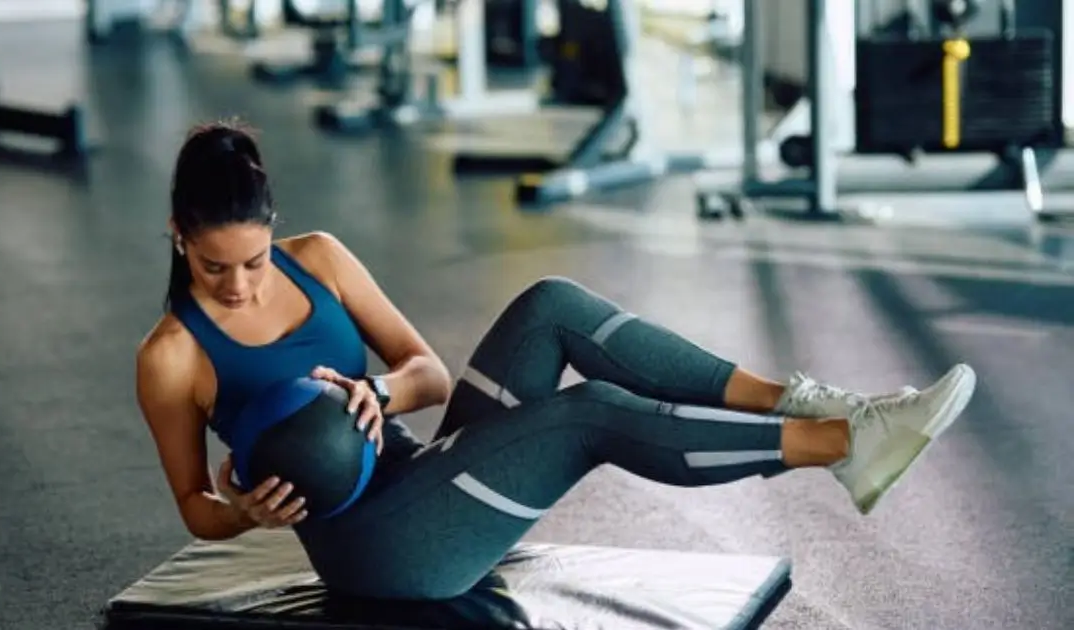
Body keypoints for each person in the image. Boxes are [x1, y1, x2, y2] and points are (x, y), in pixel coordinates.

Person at [135, 120, 977, 601]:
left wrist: (378, 394)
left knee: (551, 305)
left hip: (425, 474)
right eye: (216, 267)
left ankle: (814, 405)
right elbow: (193, 506)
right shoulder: (172, 357)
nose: (241, 285)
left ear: (273, 226)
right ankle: (842, 448)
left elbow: (425, 372)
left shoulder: (316, 259)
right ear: (179, 234)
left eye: (253, 260)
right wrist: (244, 512)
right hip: (379, 553)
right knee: (584, 414)